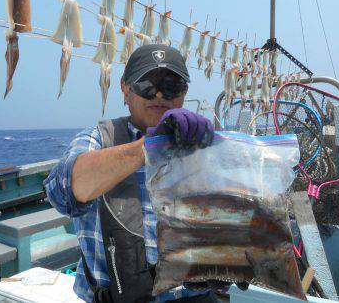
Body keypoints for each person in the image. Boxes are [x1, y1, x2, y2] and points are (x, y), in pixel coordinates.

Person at [44, 44, 217, 303]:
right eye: (147, 84)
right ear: (125, 88)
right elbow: (63, 192)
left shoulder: (205, 146)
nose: (159, 94)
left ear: (184, 92)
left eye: (171, 86)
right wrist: (148, 145)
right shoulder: (99, 140)